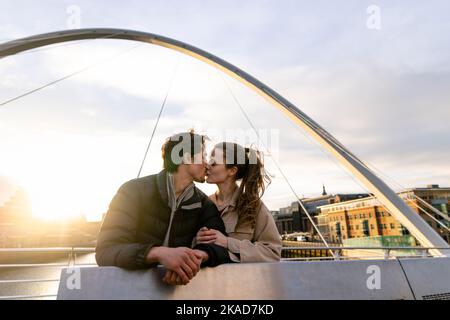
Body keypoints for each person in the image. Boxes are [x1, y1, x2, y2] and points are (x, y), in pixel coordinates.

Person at [95, 131, 231, 285]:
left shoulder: (205, 205)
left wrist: (192, 258)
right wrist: (158, 253)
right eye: (203, 156)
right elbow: (106, 251)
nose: (207, 164)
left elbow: (222, 250)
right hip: (129, 290)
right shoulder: (132, 191)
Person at [196, 142, 282, 262]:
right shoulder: (201, 204)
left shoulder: (253, 206)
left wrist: (228, 243)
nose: (207, 166)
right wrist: (196, 239)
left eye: (214, 163)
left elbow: (272, 253)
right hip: (206, 279)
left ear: (232, 171)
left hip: (241, 280)